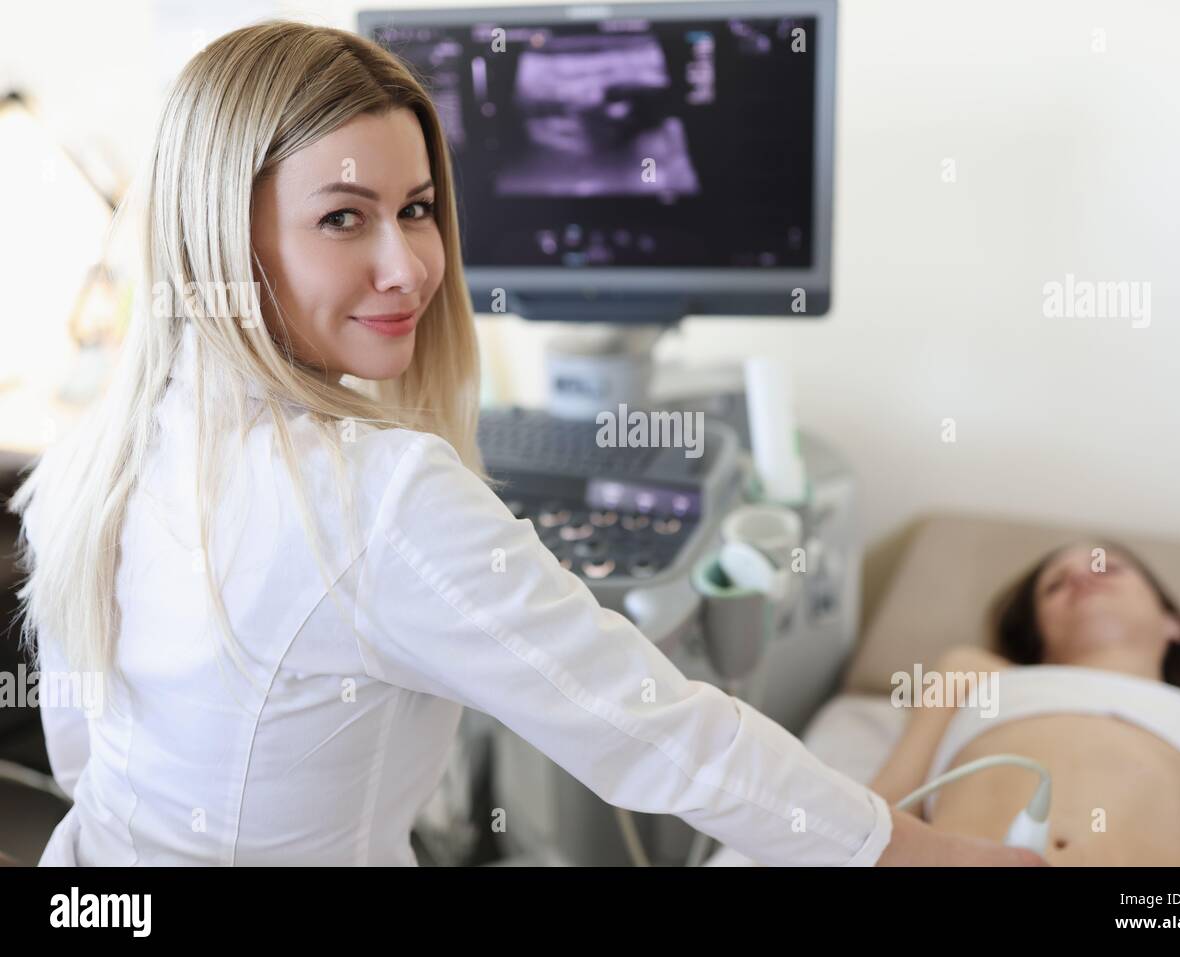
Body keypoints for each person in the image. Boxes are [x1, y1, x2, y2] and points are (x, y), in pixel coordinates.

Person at [8, 20, 1040, 867]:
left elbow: (85, 755)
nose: (409, 266)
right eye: (342, 218)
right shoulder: (375, 497)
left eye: (416, 210)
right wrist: (917, 852)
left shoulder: (93, 451)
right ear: (221, 236)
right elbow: (657, 732)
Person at [870, 542, 1180, 865]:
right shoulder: (977, 674)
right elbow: (871, 811)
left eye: (1108, 568)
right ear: (1037, 634)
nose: (1081, 576)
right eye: (1055, 585)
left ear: (1174, 623)